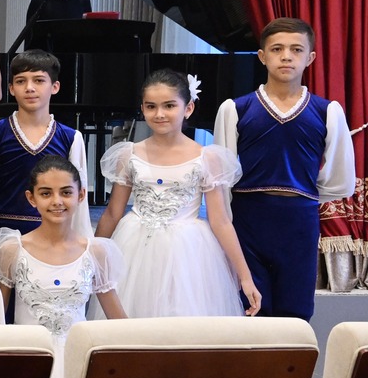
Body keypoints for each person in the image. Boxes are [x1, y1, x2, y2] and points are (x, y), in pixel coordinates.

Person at [215, 18, 358, 320]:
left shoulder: (327, 111)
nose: (286, 56)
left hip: (299, 222)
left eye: (296, 49)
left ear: (310, 58)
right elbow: (221, 178)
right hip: (248, 219)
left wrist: (304, 193)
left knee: (296, 309)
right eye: (277, 49)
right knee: (250, 307)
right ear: (262, 56)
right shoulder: (236, 109)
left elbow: (341, 179)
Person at [97, 70, 261, 318]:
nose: (159, 114)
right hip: (134, 247)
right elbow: (112, 212)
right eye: (151, 106)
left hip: (187, 252)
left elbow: (220, 221)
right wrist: (92, 256)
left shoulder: (207, 157)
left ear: (188, 108)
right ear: (142, 109)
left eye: (169, 105)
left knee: (181, 317)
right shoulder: (129, 154)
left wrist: (245, 276)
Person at [0, 155, 128, 378]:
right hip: (29, 359)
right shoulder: (12, 250)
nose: (56, 201)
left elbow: (118, 319)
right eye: (46, 193)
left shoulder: (96, 252)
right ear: (31, 198)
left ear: (81, 195)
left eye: (65, 192)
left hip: (78, 361)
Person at [0, 51, 87, 237]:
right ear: (11, 88)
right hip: (1, 235)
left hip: (53, 234)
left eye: (39, 80)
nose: (29, 88)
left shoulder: (71, 137)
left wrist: (79, 242)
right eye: (21, 81)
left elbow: (78, 199)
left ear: (55, 87)